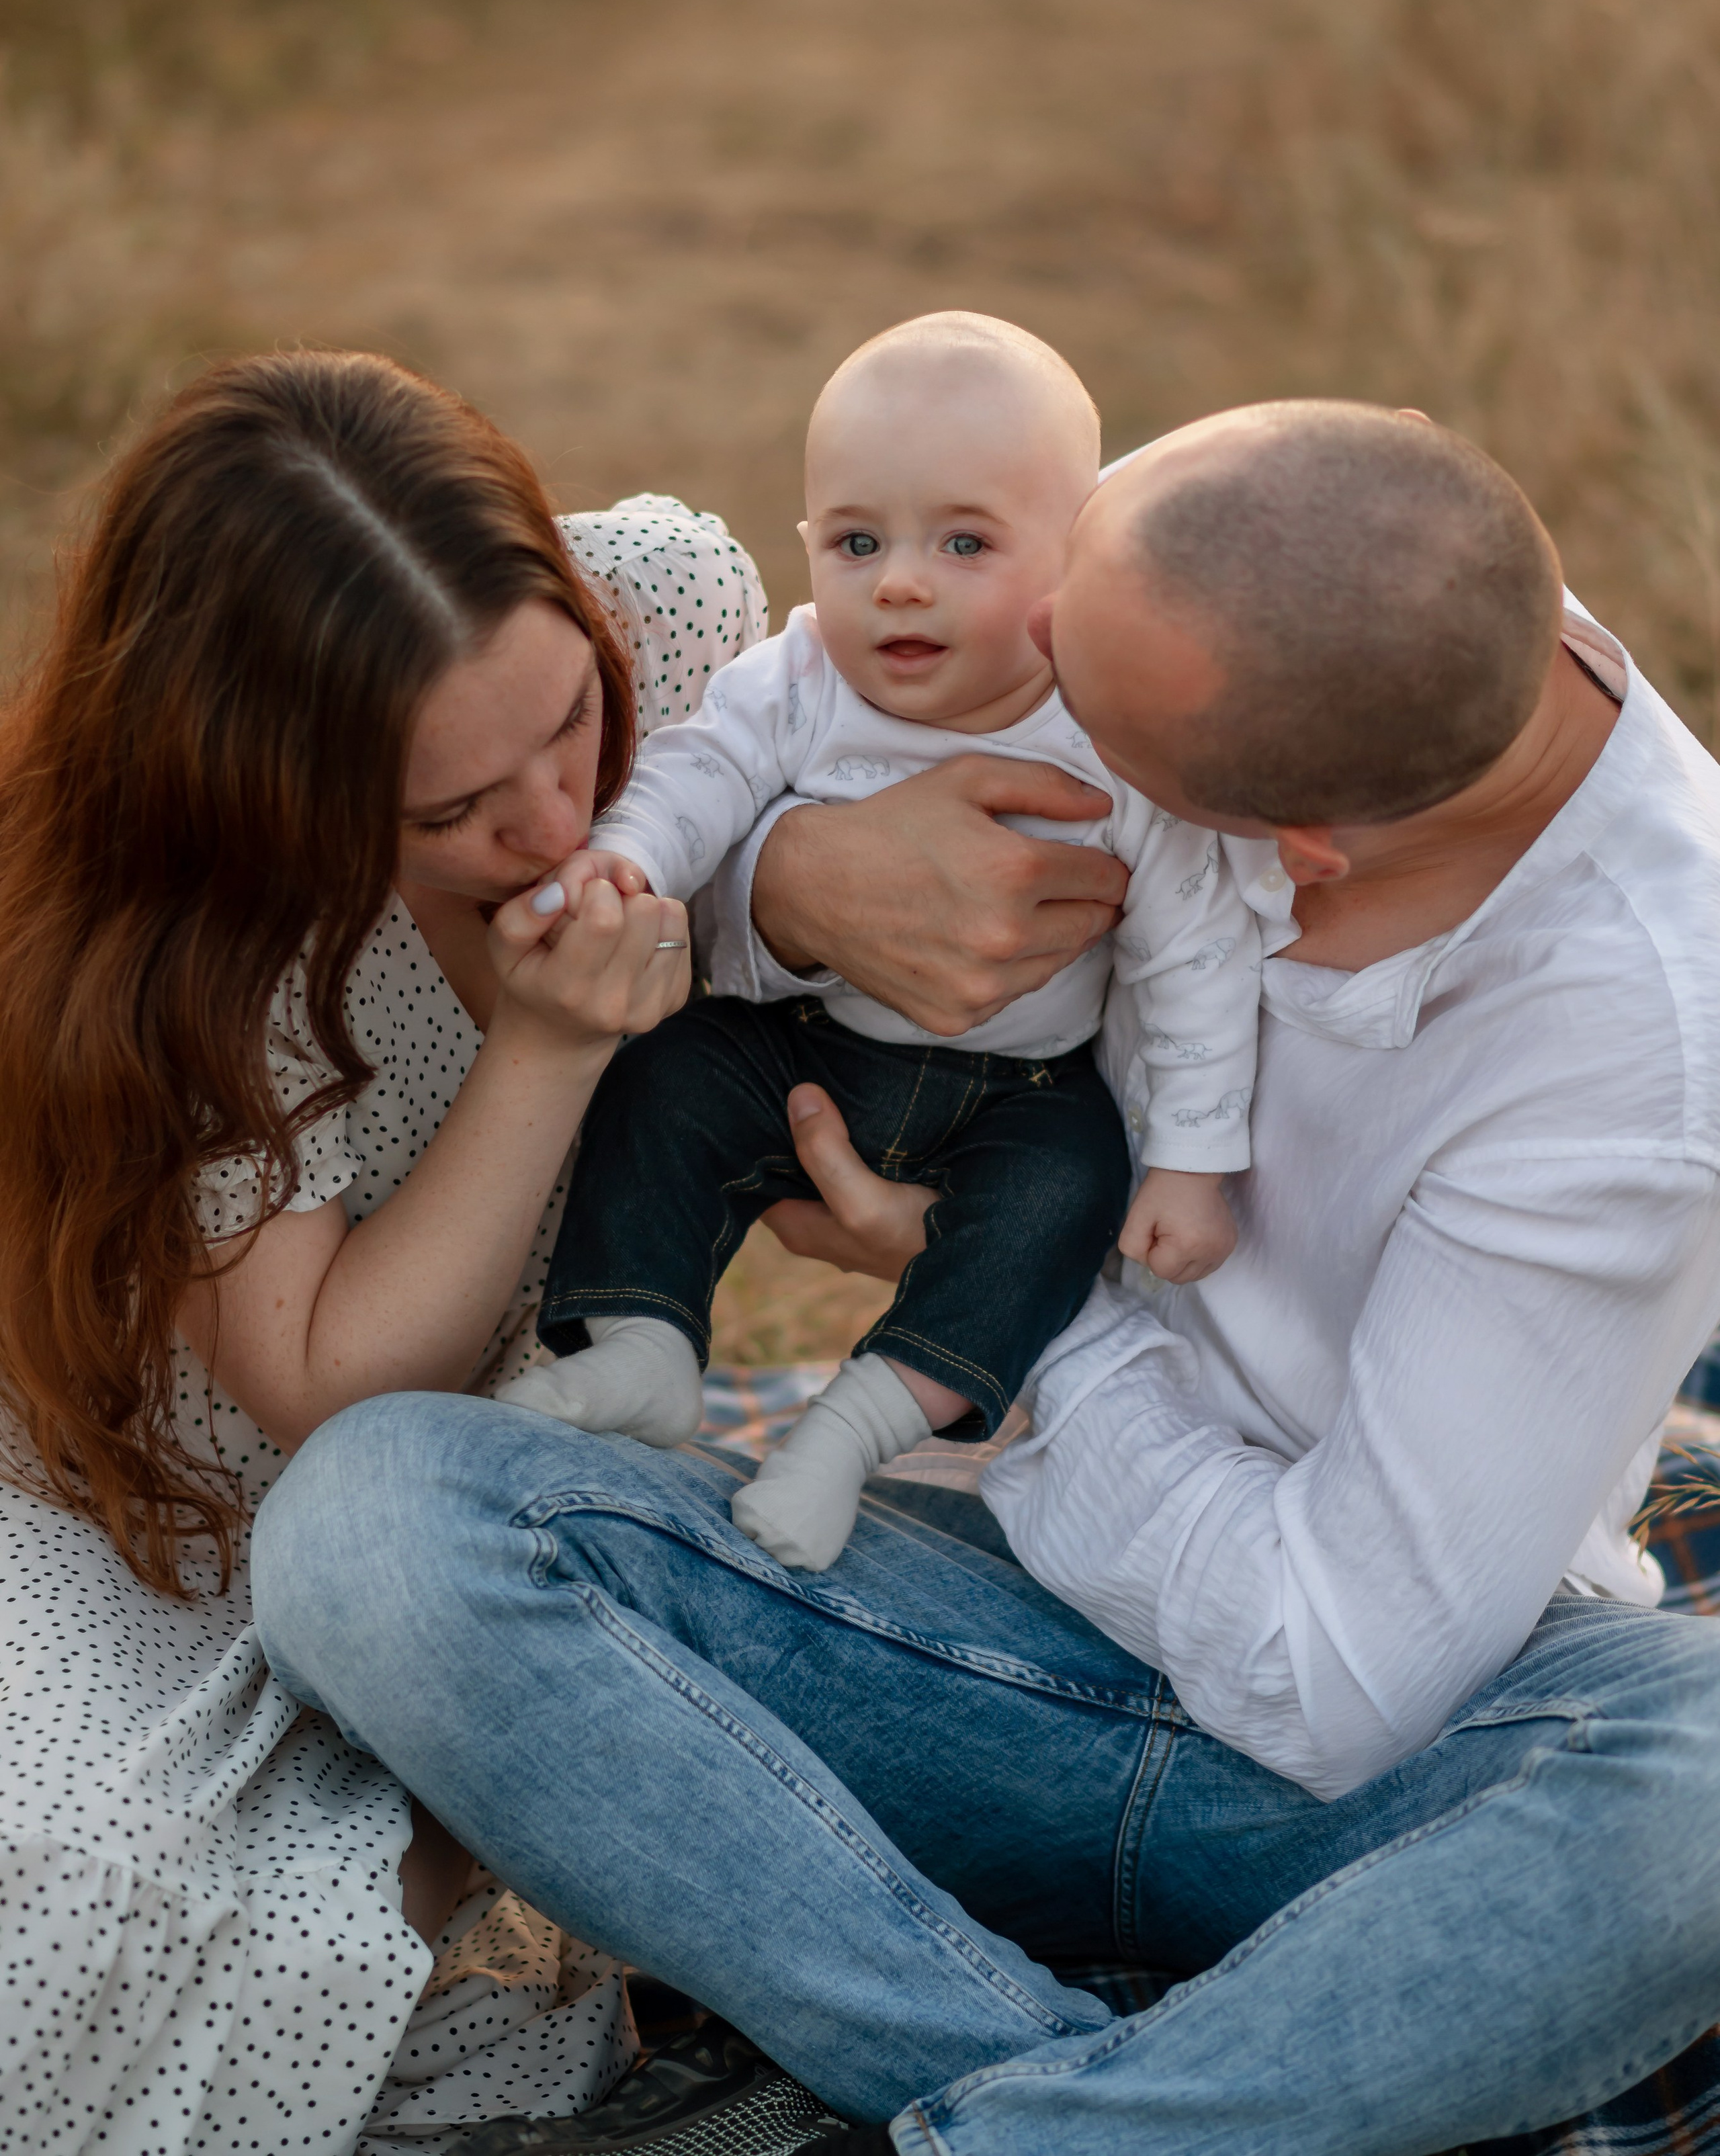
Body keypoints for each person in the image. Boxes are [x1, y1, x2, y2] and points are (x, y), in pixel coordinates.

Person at [253, 398, 1720, 2156]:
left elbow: (1332, 1683)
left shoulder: (1634, 1061)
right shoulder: (1249, 577)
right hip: (959, 1629)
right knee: (371, 1520)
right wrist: (799, 883)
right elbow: (762, 809)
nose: (1021, 685)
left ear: (1281, 849)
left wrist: (1004, 1326)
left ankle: (978, 2125)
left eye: (1081, 719)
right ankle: (1077, 2082)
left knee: (1704, 1784)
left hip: (1365, 1758)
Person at [0, 347, 770, 2150]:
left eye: (572, 721)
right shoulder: (189, 926)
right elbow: (328, 1390)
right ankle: (444, 1854)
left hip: (461, 1478)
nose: (557, 823)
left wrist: (803, 877)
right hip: (147, 1496)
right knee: (78, 1882)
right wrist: (553, 1045)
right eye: (450, 816)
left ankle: (449, 1839)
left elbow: (819, 799)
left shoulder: (663, 607)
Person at [513, 312, 1258, 1573]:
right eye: (859, 542)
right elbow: (702, 774)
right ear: (811, 544)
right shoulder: (802, 677)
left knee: (1068, 1193)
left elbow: (1197, 945)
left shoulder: (1108, 722)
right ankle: (643, 1342)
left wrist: (1192, 1157)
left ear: (1075, 558)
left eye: (964, 542)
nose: (900, 582)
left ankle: (855, 1432)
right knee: (662, 1074)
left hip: (1018, 1089)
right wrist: (627, 856)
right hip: (807, 1043)